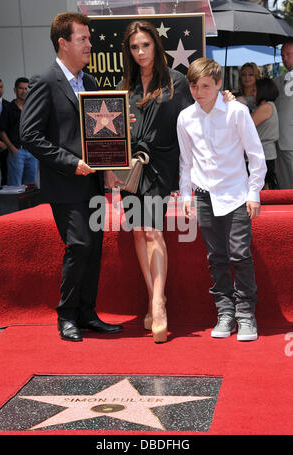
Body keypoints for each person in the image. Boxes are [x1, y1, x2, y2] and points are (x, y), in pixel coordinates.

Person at [20, 12, 123, 342]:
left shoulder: (90, 82)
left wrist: (109, 165)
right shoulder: (45, 81)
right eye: (83, 39)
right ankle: (66, 314)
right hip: (64, 182)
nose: (90, 45)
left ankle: (87, 313)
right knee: (79, 243)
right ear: (63, 43)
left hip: (92, 182)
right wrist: (70, 162)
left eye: (89, 39)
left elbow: (98, 134)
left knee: (94, 247)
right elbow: (30, 134)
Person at [114, 20, 194, 343]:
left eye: (145, 45)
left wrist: (225, 99)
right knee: (137, 232)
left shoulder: (175, 82)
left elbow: (193, 121)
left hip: (160, 164)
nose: (140, 52)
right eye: (134, 47)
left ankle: (159, 305)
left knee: (153, 230)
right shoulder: (126, 86)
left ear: (156, 46)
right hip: (131, 168)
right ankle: (152, 296)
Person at [177, 58, 267, 342]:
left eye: (205, 85)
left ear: (218, 84)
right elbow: (186, 162)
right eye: (194, 85)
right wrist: (185, 196)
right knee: (216, 258)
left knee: (240, 255)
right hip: (203, 196)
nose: (199, 91)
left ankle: (246, 314)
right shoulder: (185, 118)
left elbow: (256, 155)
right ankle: (225, 313)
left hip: (237, 195)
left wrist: (254, 192)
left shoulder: (236, 112)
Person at [0, 77, 38, 187]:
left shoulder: (32, 108)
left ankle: (30, 205)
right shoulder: (8, 108)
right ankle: (15, 205)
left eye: (26, 89)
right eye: (21, 88)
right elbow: (1, 131)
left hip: (32, 152)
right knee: (15, 186)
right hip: (17, 152)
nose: (23, 91)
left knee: (31, 186)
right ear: (15, 90)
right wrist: (12, 148)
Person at [251, 78, 279, 190]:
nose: (252, 93)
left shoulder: (266, 107)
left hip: (264, 154)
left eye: (254, 90)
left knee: (264, 189)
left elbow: (247, 125)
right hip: (264, 153)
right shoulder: (267, 106)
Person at [273, 39, 293, 189]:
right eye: (282, 55)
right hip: (277, 141)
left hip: (290, 140)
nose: (284, 58)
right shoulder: (278, 80)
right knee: (284, 185)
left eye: (288, 54)